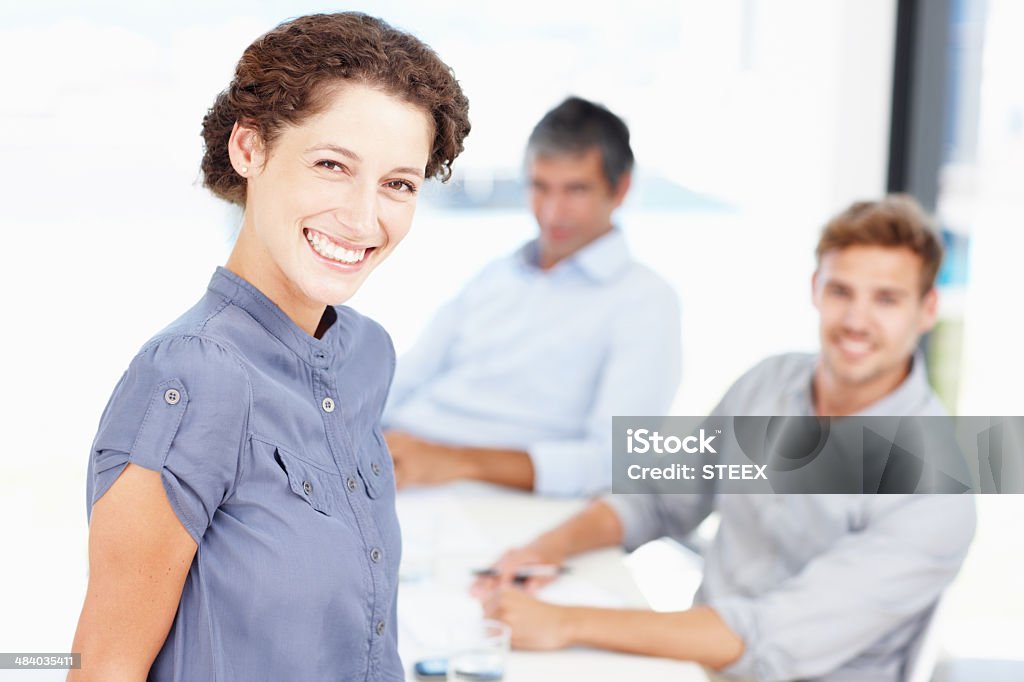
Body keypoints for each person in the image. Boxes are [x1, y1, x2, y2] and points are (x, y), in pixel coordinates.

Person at [69, 13, 470, 681]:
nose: (365, 217)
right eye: (332, 165)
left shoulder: (366, 355)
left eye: (398, 183)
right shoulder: (190, 376)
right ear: (249, 149)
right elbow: (102, 668)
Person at [474, 196, 977, 681]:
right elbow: (657, 497)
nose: (855, 321)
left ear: (927, 308)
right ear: (815, 288)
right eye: (841, 291)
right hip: (693, 661)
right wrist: (544, 549)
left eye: (886, 299)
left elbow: (767, 641)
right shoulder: (769, 383)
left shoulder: (935, 490)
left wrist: (566, 623)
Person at [383, 97, 682, 496]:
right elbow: (406, 378)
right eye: (540, 187)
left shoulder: (644, 302)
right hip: (395, 460)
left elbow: (614, 460)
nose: (553, 212)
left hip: (477, 493)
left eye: (576, 190)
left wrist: (451, 460)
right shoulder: (498, 274)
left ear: (621, 187)